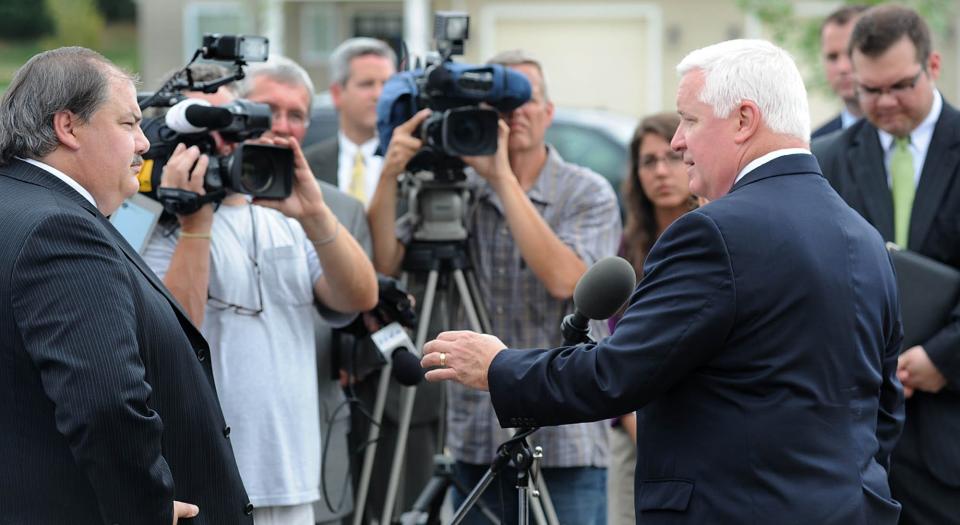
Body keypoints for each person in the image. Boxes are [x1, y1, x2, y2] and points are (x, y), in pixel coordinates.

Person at [421, 39, 905, 524]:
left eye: (689, 119)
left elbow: (618, 373)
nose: (677, 141)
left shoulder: (713, 232)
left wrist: (498, 368)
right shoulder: (862, 236)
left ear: (743, 120)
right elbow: (884, 409)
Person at [0, 47, 253, 524]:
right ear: (68, 126)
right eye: (128, 124)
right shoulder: (59, 229)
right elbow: (105, 404)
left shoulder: (17, 204)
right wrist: (146, 509)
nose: (144, 144)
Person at [369, 49, 620, 524]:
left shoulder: (587, 191)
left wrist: (501, 177)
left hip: (565, 436)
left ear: (549, 113)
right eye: (501, 106)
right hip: (477, 434)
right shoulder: (458, 188)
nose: (515, 113)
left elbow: (566, 279)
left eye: (526, 100)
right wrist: (389, 174)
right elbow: (387, 262)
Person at [142, 62, 378, 525]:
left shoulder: (280, 216)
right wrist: (197, 221)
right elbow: (173, 336)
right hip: (207, 480)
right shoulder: (155, 222)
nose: (220, 141)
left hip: (292, 474)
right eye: (203, 128)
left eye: (228, 123)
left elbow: (359, 296)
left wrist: (313, 214)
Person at [812, 6, 960, 524]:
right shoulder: (825, 159)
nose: (885, 102)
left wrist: (942, 358)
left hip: (948, 432)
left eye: (900, 85)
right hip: (851, 436)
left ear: (933, 65)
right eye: (869, 90)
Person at [607, 111, 697, 525]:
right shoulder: (628, 245)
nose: (661, 171)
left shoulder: (717, 231)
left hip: (701, 427)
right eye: (648, 162)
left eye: (671, 158)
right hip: (634, 422)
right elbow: (612, 338)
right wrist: (629, 419)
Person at [304, 37, 396, 205]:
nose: (379, 94)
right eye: (367, 84)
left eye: (387, 84)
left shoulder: (411, 164)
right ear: (337, 94)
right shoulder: (306, 167)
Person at [811, 4, 868, 139]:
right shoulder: (815, 145)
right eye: (832, 57)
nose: (842, 68)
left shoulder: (910, 134)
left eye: (851, 54)